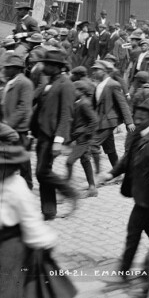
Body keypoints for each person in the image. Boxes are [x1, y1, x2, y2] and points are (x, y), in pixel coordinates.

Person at [98, 97, 149, 283]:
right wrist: (110, 174)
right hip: (139, 193)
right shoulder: (140, 134)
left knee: (133, 232)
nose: (137, 120)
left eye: (141, 118)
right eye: (136, 117)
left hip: (148, 197)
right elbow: (127, 159)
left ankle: (124, 272)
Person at [0, 124, 61, 298]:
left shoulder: (16, 187)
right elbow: (32, 224)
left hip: (10, 249)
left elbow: (31, 222)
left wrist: (44, 241)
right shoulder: (15, 185)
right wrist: (46, 241)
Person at [30, 47, 78, 220]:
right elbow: (34, 102)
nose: (45, 66)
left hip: (51, 136)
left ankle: (70, 191)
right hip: (41, 134)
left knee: (42, 172)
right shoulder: (47, 82)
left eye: (49, 64)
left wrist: (59, 140)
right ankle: (48, 211)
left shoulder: (66, 85)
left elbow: (66, 115)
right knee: (43, 172)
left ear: (58, 67)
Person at [1, 52, 34, 188]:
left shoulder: (24, 83)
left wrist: (8, 124)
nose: (5, 70)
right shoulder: (10, 82)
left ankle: (28, 186)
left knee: (22, 161)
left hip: (19, 129)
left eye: (8, 67)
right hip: (9, 127)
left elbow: (23, 108)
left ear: (16, 68)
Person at [66, 79, 98, 197]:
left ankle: (66, 190)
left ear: (81, 91)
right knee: (85, 161)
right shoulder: (79, 102)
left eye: (74, 90)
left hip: (83, 139)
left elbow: (94, 120)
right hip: (80, 137)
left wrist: (86, 134)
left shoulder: (84, 104)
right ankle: (92, 188)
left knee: (69, 162)